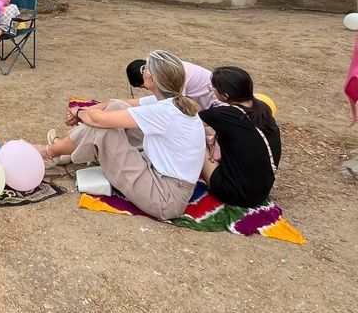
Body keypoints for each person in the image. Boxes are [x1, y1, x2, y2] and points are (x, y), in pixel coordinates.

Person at [38, 50, 206, 219]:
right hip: (165, 181)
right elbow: (117, 104)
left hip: (165, 197)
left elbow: (97, 121)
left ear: (152, 80)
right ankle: (62, 151)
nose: (143, 71)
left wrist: (79, 113)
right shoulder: (170, 101)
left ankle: (51, 152)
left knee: (103, 130)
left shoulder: (165, 110)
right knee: (116, 108)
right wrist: (85, 111)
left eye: (144, 69)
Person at [199, 66, 281, 207]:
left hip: (236, 194)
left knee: (197, 138)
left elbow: (189, 119)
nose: (211, 91)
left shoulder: (225, 114)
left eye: (213, 88)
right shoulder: (262, 109)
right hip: (261, 191)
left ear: (225, 95)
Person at [126, 57, 222, 110]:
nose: (148, 89)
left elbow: (176, 106)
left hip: (217, 106)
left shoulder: (173, 76)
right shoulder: (168, 67)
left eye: (144, 87)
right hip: (209, 103)